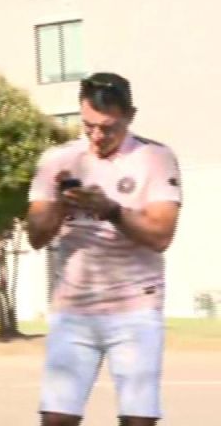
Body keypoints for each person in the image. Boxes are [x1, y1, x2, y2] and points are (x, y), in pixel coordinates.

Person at [26, 73, 182, 426]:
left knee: (138, 420)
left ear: (130, 115)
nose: (97, 137)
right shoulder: (58, 160)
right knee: (56, 419)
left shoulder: (155, 158)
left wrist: (110, 210)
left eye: (107, 128)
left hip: (135, 309)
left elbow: (161, 235)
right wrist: (59, 204)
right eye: (88, 126)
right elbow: (35, 237)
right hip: (73, 309)